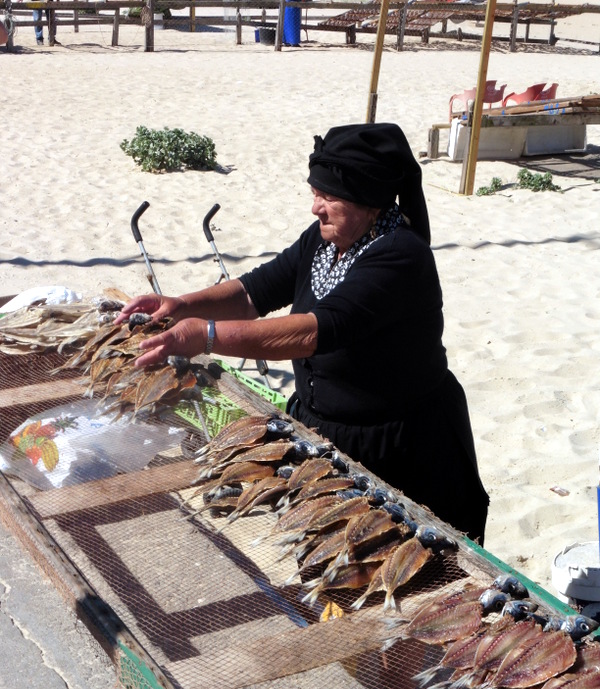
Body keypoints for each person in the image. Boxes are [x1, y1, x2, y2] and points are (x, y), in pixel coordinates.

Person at [115, 122, 489, 544]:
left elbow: (317, 330)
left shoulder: (400, 255)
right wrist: (182, 304)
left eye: (328, 196)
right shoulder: (325, 240)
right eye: (315, 193)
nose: (316, 208)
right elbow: (255, 291)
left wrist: (206, 336)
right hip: (325, 432)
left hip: (399, 449)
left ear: (368, 200)